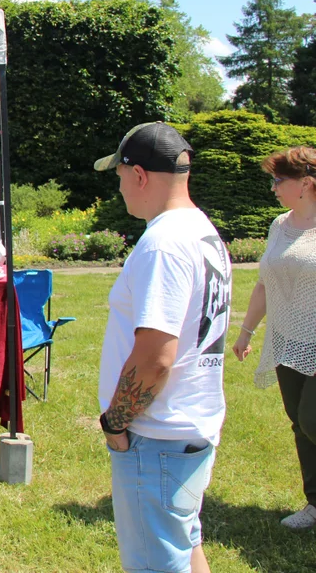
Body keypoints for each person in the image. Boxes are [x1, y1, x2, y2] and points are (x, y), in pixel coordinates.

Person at [94, 122, 231, 573]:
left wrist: (115, 423)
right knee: (185, 543)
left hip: (156, 435)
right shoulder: (202, 230)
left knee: (157, 562)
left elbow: (155, 359)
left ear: (139, 175)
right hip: (190, 427)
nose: (119, 187)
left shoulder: (163, 244)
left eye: (118, 176)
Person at [231, 146, 316, 530]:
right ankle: (314, 505)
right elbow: (265, 282)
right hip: (286, 340)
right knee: (299, 422)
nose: (273, 188)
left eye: (279, 180)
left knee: (313, 419)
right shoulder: (279, 225)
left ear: (307, 184)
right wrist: (246, 331)